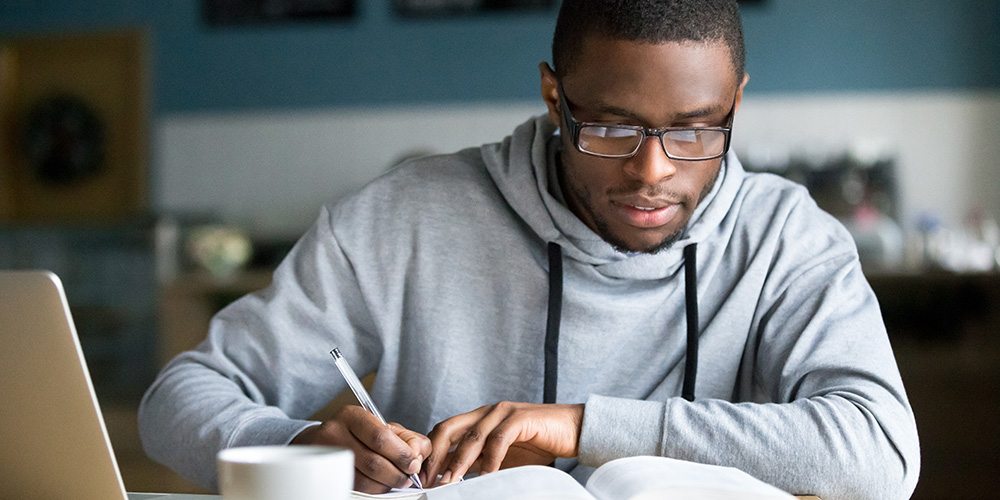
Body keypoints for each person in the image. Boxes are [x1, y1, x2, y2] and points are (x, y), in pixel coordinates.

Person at [138, 1, 920, 499]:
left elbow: (881, 451)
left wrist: (579, 426)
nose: (653, 171)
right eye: (611, 126)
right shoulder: (401, 218)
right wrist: (304, 447)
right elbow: (182, 396)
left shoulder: (786, 238)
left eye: (694, 130)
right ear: (554, 96)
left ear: (736, 103)